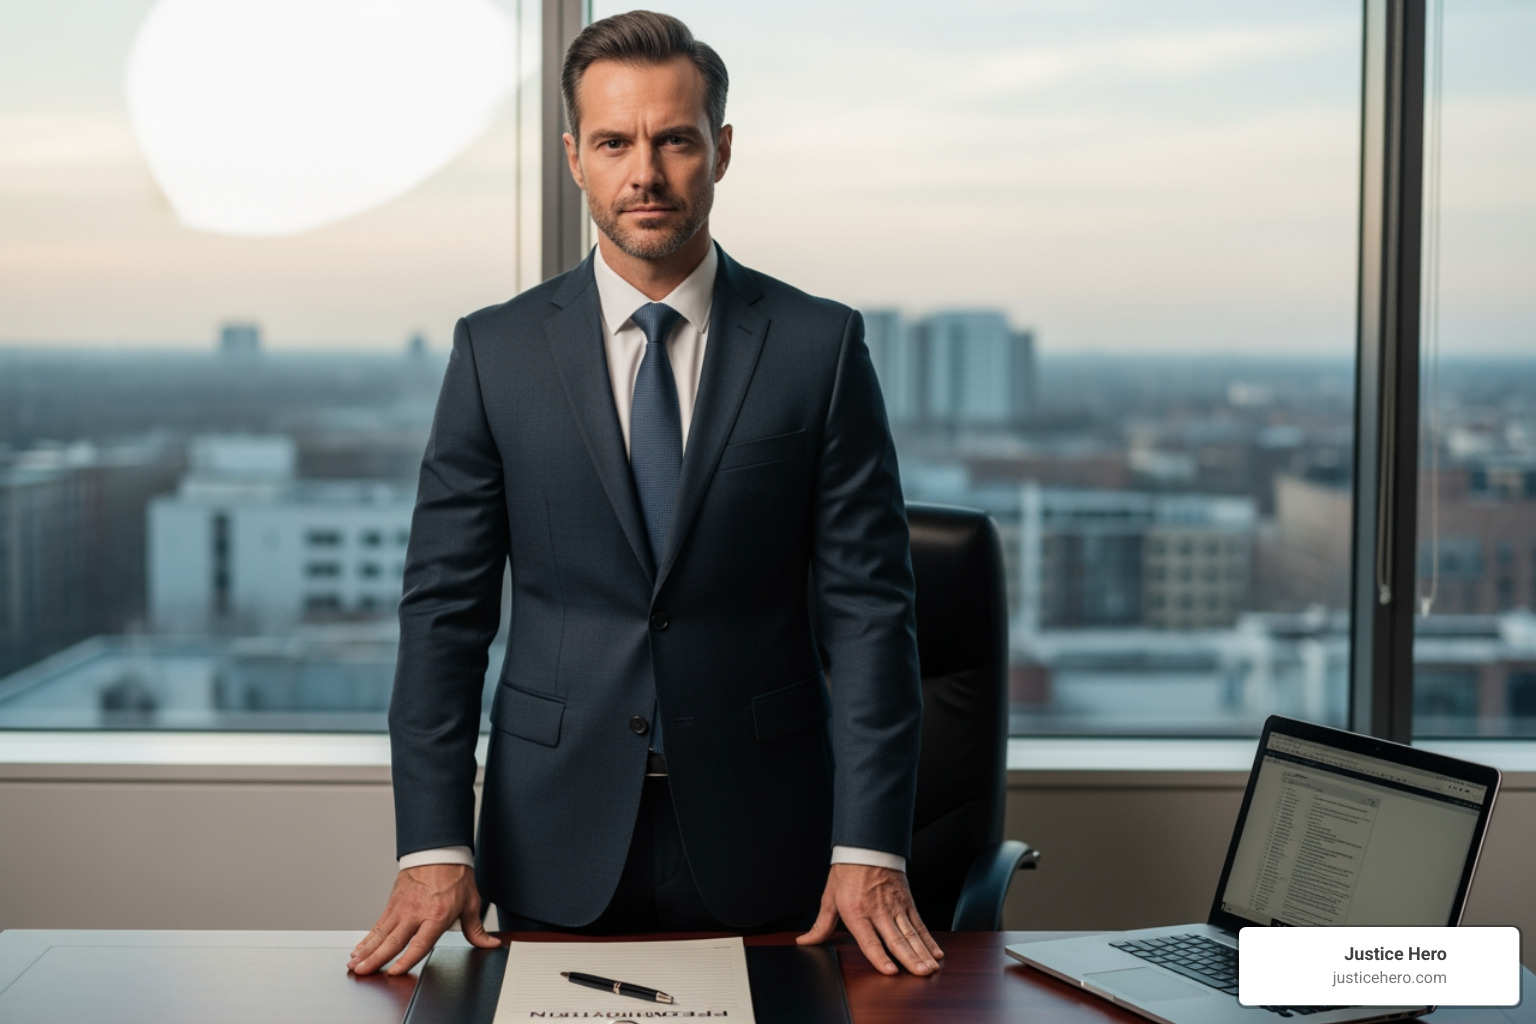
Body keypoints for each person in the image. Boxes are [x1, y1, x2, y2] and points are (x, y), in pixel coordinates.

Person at [348, 10, 940, 980]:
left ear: (722, 150)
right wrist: (432, 845)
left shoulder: (818, 346)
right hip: (552, 835)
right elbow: (444, 614)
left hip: (773, 842)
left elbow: (872, 614)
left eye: (675, 140)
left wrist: (870, 846)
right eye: (615, 143)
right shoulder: (494, 353)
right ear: (574, 159)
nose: (646, 174)